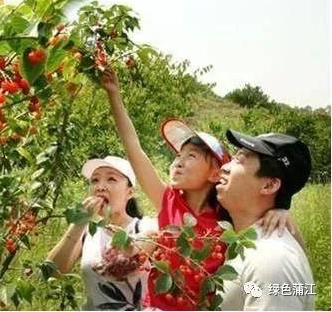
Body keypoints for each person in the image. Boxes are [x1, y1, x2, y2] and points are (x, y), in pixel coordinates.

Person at [100, 69, 298, 309]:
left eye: (191, 156)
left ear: (216, 173)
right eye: (178, 155)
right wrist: (114, 96)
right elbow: (133, 147)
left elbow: (271, 249)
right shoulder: (168, 200)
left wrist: (281, 210)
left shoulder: (228, 217)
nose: (178, 162)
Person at [216, 130, 315, 310]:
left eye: (240, 160)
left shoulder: (272, 261)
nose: (225, 166)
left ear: (269, 185)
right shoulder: (247, 243)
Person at [47, 156, 158, 310]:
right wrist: (78, 223)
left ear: (130, 192)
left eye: (111, 179)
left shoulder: (145, 226)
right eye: (95, 181)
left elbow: (124, 261)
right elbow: (52, 272)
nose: (100, 187)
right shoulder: (87, 232)